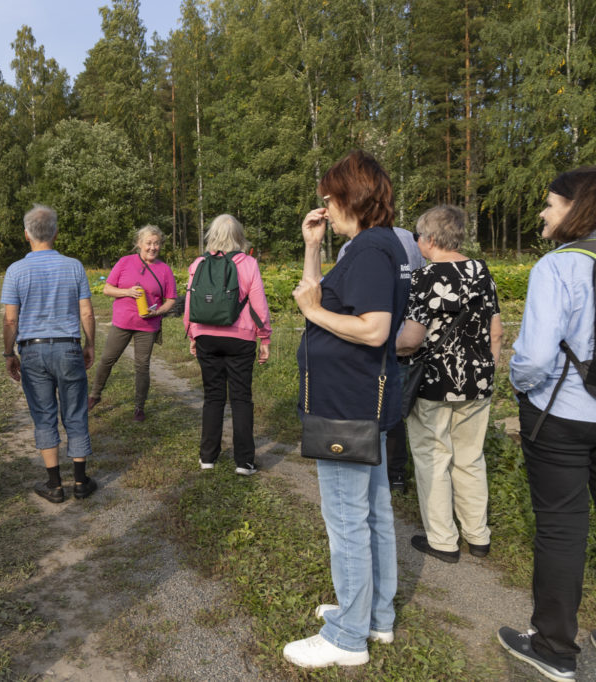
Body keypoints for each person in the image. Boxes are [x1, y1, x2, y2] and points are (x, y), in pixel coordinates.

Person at [285, 150, 410, 669]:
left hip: (346, 405)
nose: (325, 206)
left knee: (346, 520)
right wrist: (313, 247)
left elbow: (375, 329)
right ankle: (374, 614)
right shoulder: (375, 246)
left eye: (330, 197)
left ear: (350, 196)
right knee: (373, 512)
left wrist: (311, 311)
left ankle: (347, 636)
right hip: (364, 400)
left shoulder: (370, 250)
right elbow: (324, 297)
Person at [498, 166, 596, 681]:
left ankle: (553, 648)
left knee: (563, 530)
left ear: (577, 208)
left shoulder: (559, 267)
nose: (543, 212)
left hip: (561, 413)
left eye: (551, 203)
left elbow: (538, 355)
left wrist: (520, 381)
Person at [396, 205, 502, 563]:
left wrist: (381, 346)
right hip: (478, 380)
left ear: (430, 239)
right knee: (471, 458)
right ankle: (478, 536)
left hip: (434, 383)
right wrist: (486, 372)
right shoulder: (481, 272)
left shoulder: (424, 278)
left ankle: (443, 540)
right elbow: (497, 332)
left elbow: (411, 339)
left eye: (417, 235)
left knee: (433, 458)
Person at [1, 204, 98, 504]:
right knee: (75, 411)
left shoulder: (16, 270)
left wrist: (8, 352)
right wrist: (90, 343)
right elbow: (86, 311)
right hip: (67, 346)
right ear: (56, 232)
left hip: (33, 350)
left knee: (44, 415)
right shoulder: (74, 266)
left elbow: (11, 320)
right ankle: (81, 482)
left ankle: (54, 484)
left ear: (26, 235)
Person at [340, 227, 426, 491]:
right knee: (397, 408)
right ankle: (396, 473)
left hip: (372, 339)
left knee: (371, 405)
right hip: (406, 333)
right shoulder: (409, 239)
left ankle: (367, 465)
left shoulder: (355, 246)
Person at [183, 214, 271, 474]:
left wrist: (192, 335)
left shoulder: (198, 263)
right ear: (239, 236)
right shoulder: (249, 263)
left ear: (213, 235)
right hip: (240, 337)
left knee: (213, 397)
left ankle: (208, 457)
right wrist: (264, 337)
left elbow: (190, 304)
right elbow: (259, 306)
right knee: (241, 398)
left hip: (206, 337)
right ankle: (244, 462)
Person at [88, 225, 178, 421]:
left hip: (148, 326)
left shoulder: (164, 270)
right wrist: (127, 292)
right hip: (123, 322)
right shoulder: (125, 262)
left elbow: (171, 299)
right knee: (107, 359)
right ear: (139, 244)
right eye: (149, 243)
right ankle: (94, 396)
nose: (153, 247)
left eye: (157, 244)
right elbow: (107, 289)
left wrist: (159, 311)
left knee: (142, 366)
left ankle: (139, 407)